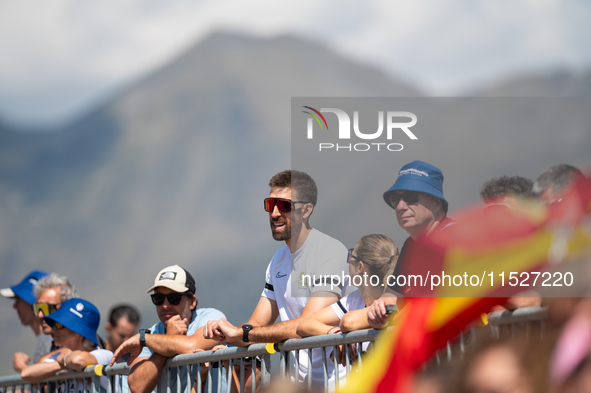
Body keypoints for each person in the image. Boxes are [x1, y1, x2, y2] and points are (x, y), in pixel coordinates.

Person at [203, 170, 349, 390]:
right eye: (270, 204)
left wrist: (243, 333)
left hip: (338, 384)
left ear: (306, 209)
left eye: (284, 205)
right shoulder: (278, 260)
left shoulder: (329, 251)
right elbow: (257, 325)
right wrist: (227, 335)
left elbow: (306, 324)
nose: (274, 213)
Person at [367, 160, 456, 329]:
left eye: (410, 198)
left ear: (437, 203)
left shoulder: (454, 239)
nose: (400, 206)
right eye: (395, 200)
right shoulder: (411, 245)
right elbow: (392, 295)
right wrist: (380, 309)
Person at [110, 265, 226, 393]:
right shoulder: (151, 334)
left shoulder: (211, 317)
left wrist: (146, 339)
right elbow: (137, 387)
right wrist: (166, 339)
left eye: (174, 298)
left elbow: (191, 346)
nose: (165, 305)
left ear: (192, 301)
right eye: (158, 298)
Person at [297, 235, 398, 367]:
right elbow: (304, 325)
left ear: (360, 267)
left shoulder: (395, 301)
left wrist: (347, 336)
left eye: (351, 256)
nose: (348, 261)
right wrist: (335, 334)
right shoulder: (354, 298)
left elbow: (348, 321)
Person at [20, 298, 112, 390]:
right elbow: (26, 374)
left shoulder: (104, 355)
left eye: (60, 325)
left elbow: (77, 360)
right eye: (55, 324)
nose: (54, 329)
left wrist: (64, 358)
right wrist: (65, 364)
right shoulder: (61, 357)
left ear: (79, 332)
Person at [1, 270, 49, 372]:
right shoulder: (47, 338)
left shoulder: (49, 340)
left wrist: (23, 369)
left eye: (18, 299)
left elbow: (49, 386)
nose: (14, 306)